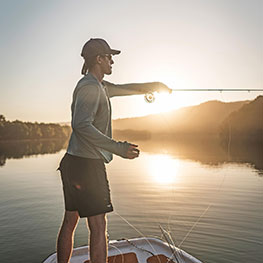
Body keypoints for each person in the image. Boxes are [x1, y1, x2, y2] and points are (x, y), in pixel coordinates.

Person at [56, 38, 171, 263]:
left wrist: (153, 85)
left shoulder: (99, 86)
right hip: (86, 165)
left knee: (70, 221)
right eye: (109, 57)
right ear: (99, 59)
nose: (112, 62)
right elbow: (80, 125)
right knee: (98, 226)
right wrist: (117, 148)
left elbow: (123, 89)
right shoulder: (90, 87)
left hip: (73, 162)